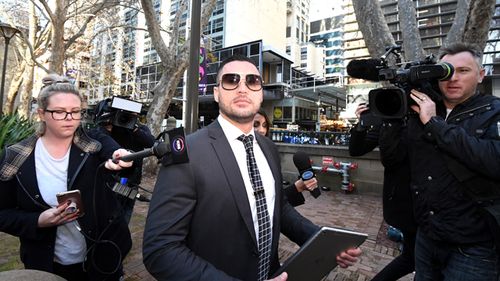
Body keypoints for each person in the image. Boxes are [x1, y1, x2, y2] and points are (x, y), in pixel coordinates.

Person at [143, 54, 362, 281]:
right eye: (231, 80)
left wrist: (321, 240)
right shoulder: (186, 153)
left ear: (260, 93)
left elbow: (278, 208)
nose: (242, 88)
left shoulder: (268, 147)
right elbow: (160, 250)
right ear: (217, 93)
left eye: (252, 81)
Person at [0, 74, 133, 281]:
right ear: (42, 114)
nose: (70, 118)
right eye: (60, 112)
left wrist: (121, 157)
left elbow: (115, 153)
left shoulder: (93, 143)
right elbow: (3, 213)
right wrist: (37, 221)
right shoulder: (15, 157)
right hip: (46, 264)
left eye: (75, 112)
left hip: (101, 260)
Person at [389, 43, 500, 280]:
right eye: (446, 72)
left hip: (474, 246)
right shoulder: (421, 111)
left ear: (481, 75)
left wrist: (435, 123)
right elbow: (393, 158)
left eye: (463, 71)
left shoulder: (494, 111)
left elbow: (494, 160)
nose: (453, 79)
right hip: (427, 236)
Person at [349, 103, 416, 281]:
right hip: (405, 204)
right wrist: (362, 124)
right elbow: (356, 149)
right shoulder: (388, 122)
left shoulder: (429, 117)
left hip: (433, 203)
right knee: (412, 257)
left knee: (416, 259)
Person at [92, 98, 156, 224]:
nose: (128, 117)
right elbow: (101, 142)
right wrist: (109, 126)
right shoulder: (109, 128)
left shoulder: (139, 128)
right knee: (107, 216)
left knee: (125, 215)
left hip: (132, 180)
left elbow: (150, 142)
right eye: (125, 114)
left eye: (133, 114)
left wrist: (134, 128)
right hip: (110, 179)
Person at [253, 109, 318, 207]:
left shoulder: (269, 155)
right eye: (255, 125)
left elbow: (275, 201)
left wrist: (297, 187)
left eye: (265, 125)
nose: (262, 130)